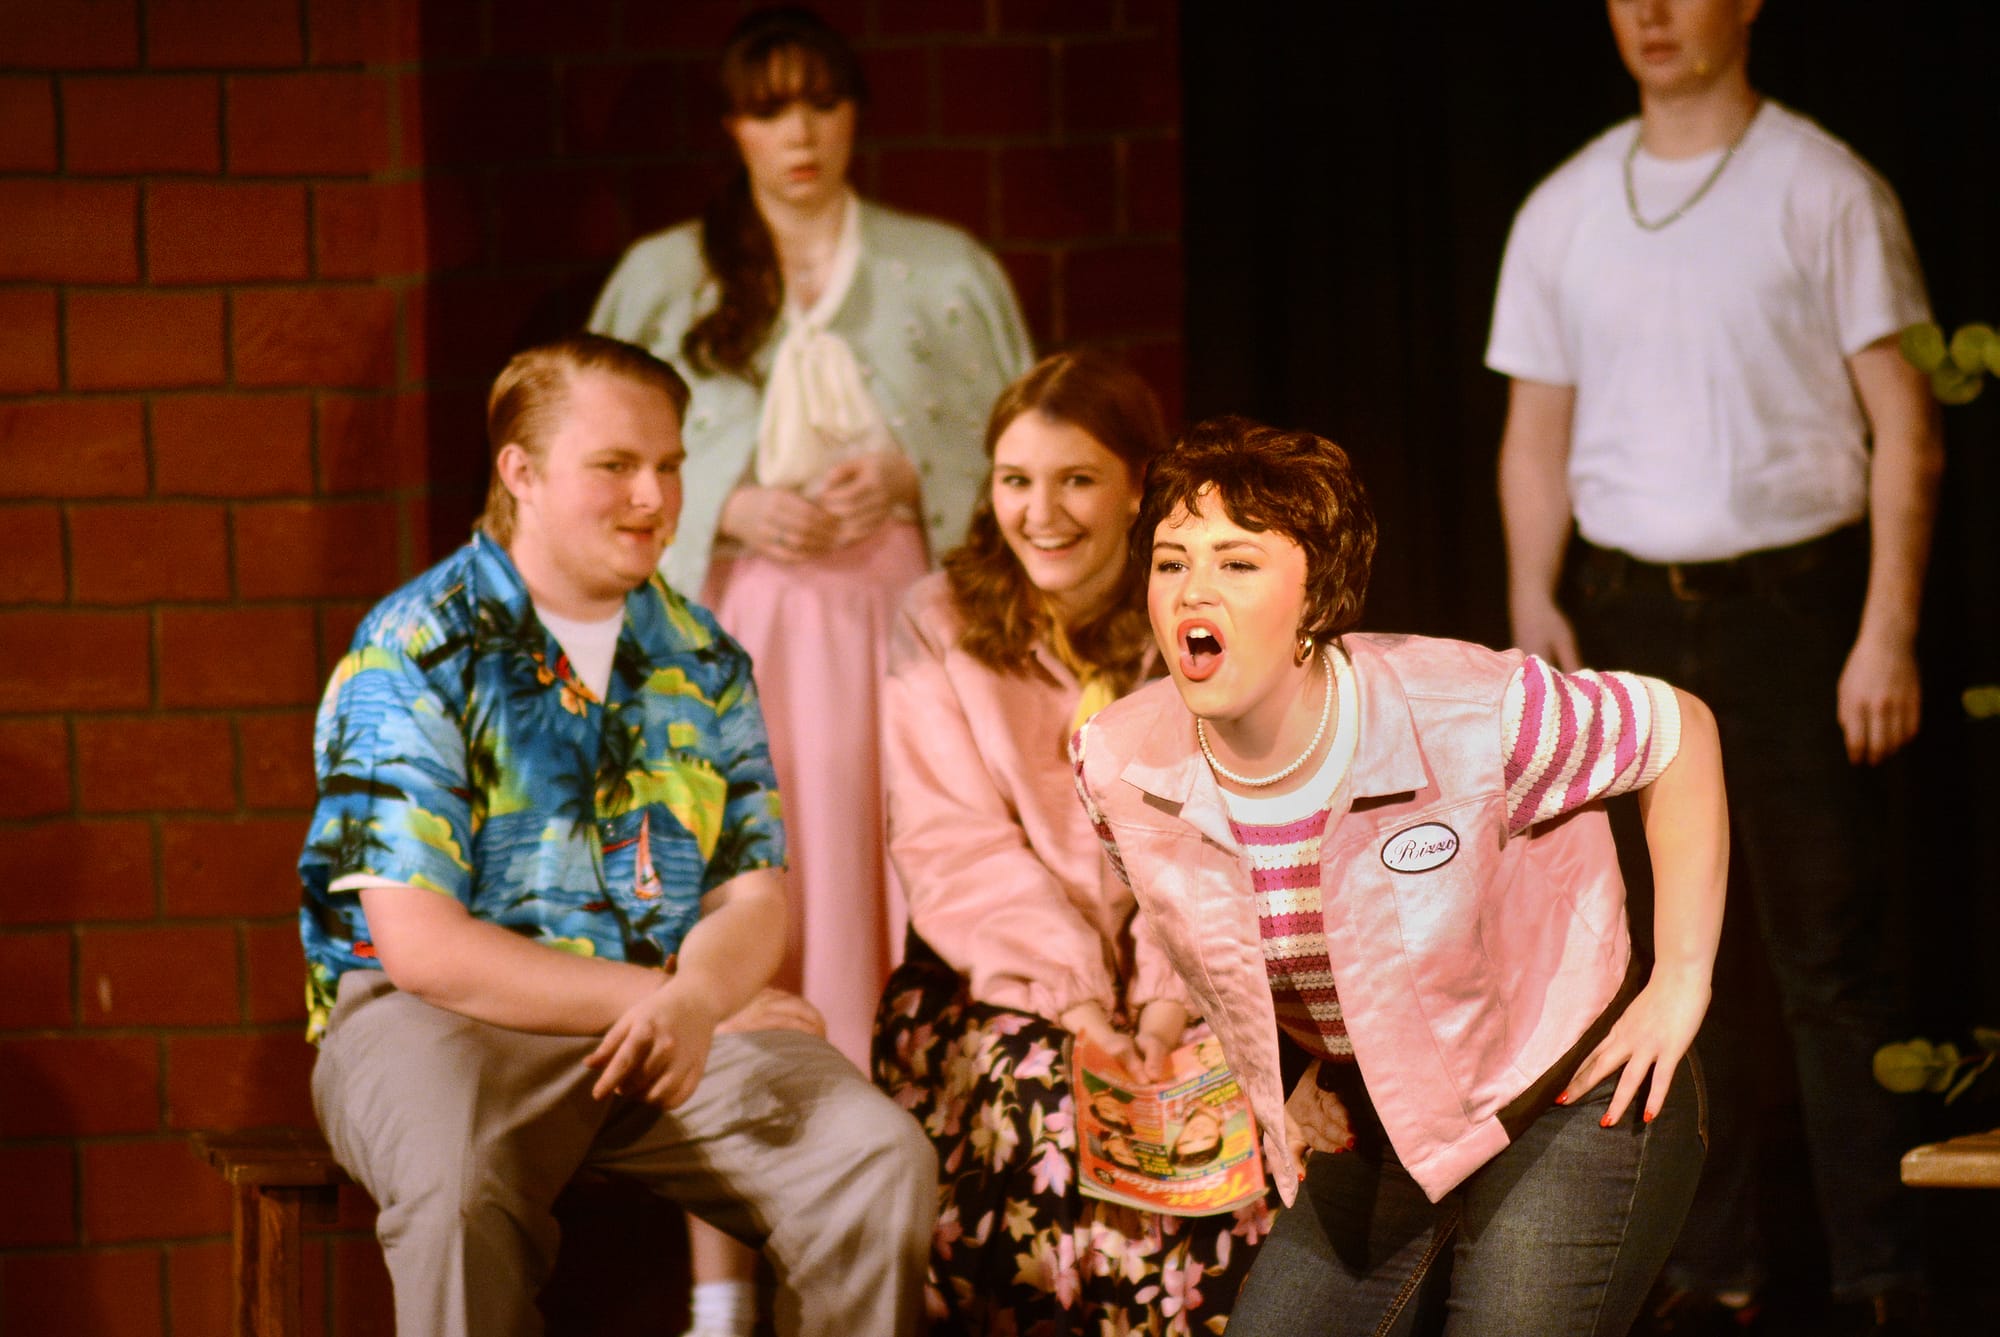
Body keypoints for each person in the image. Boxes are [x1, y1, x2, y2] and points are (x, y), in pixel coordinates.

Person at [297, 334, 935, 1337]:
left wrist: (698, 997)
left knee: (872, 1155)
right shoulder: (415, 646)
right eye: (615, 465)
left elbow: (753, 896)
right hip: (438, 1018)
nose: (654, 497)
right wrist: (677, 999)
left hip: (664, 1018)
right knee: (457, 1191)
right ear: (521, 471)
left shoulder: (703, 656)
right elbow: (421, 947)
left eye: (669, 465)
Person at [1487, 2, 1944, 1328]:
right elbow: (1536, 432)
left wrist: (1885, 630)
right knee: (1657, 952)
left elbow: (1906, 426)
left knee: (1824, 952)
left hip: (1792, 612)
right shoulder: (1564, 206)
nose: (1652, 13)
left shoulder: (1823, 187)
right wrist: (1531, 596)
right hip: (1626, 614)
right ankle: (1707, 1268)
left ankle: (1881, 1274)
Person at [1071, 418, 1729, 1334]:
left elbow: (1678, 729)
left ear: (1316, 595)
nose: (1194, 590)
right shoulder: (1119, 765)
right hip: (1385, 1108)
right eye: (1172, 561)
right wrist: (1288, 1072)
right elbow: (1219, 932)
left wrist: (1681, 980)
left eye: (1238, 563)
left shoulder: (1467, 713)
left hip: (1565, 1090)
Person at [590, 4, 1034, 1071]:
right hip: (731, 623)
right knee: (750, 838)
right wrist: (726, 505)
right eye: (770, 110)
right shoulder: (664, 277)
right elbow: (580, 451)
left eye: (821, 104)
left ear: (856, 115)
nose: (799, 134)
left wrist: (911, 475)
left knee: (883, 831)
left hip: (892, 619)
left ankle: (897, 1089)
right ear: (732, 128)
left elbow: (1027, 442)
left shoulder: (943, 270)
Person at [872, 353, 1271, 1333]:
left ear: (1139, 486)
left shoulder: (1199, 616)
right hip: (998, 979)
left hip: (1188, 971)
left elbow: (1210, 843)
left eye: (1076, 479)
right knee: (1054, 1105)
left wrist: (1165, 1007)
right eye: (1016, 480)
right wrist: (1080, 1002)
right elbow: (956, 847)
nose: (1040, 512)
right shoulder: (936, 621)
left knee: (1220, 1106)